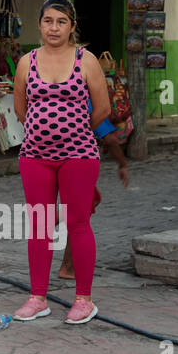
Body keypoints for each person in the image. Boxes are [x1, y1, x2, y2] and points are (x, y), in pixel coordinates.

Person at [10, 0, 112, 325]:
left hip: (79, 156)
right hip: (35, 157)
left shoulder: (87, 60)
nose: (54, 28)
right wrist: (44, 131)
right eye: (48, 21)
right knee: (40, 224)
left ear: (72, 27)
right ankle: (37, 297)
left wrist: (77, 131)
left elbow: (103, 109)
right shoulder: (27, 62)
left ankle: (84, 300)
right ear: (40, 24)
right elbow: (20, 109)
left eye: (61, 21)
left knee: (77, 224)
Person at [58, 102, 130, 280]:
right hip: (76, 162)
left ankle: (67, 263)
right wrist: (122, 164)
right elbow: (110, 139)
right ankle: (68, 267)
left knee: (90, 203)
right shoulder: (87, 102)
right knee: (80, 217)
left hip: (59, 160)